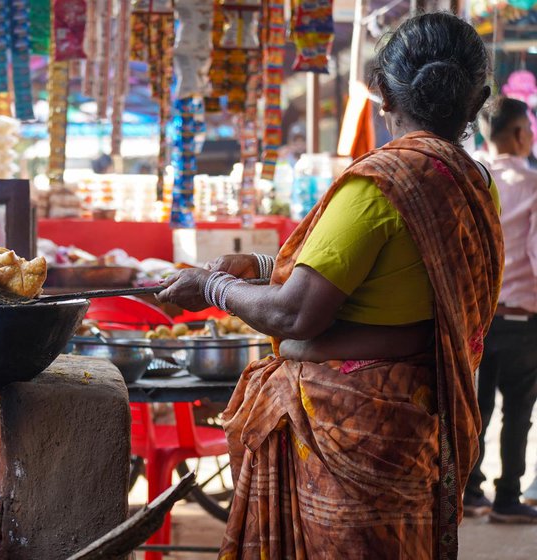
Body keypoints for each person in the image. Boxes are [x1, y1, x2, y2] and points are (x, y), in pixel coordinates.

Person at [158, 12, 502, 557]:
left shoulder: (383, 184)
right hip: (416, 425)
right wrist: (266, 265)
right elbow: (386, 269)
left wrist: (211, 287)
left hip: (348, 429)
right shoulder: (475, 184)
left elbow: (296, 316)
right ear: (478, 96)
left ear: (383, 94)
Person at [463, 97, 537, 522]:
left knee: (478, 408)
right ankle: (507, 497)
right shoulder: (531, 186)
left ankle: (471, 494)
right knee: (518, 411)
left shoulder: (475, 181)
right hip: (521, 321)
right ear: (519, 135)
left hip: (478, 317)